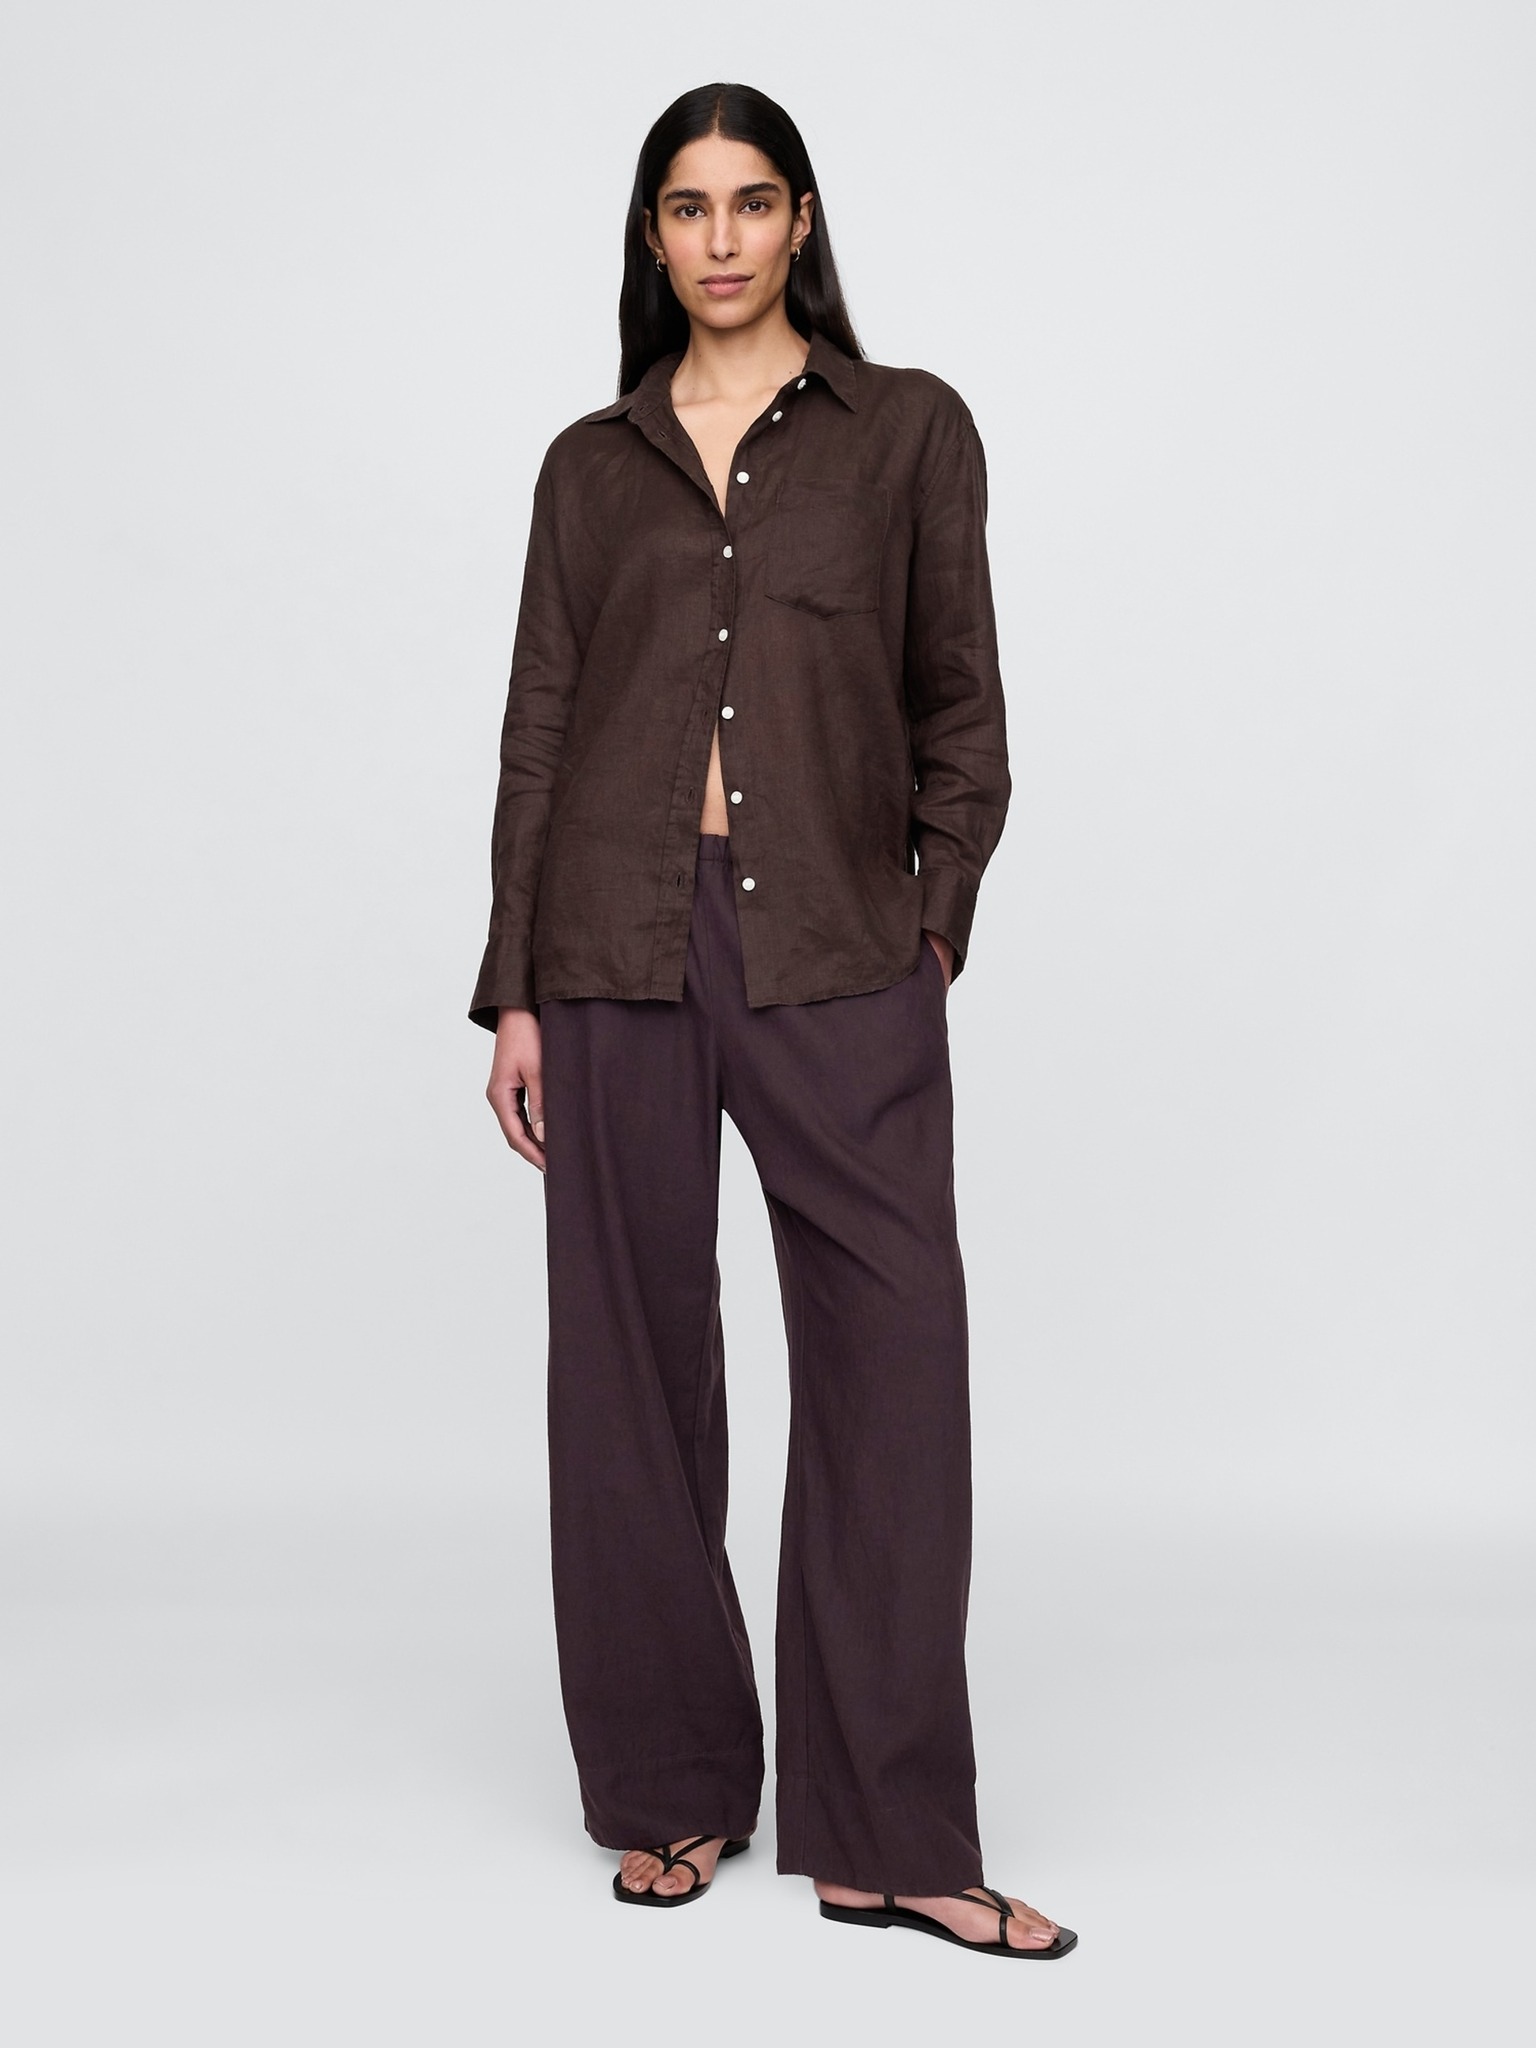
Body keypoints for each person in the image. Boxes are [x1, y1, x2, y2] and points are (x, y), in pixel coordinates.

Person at [470, 81, 1075, 1961]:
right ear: (652, 237)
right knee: (630, 1379)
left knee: (896, 1364)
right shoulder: (591, 467)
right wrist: (515, 990)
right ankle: (671, 1788)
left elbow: (961, 706)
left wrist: (932, 928)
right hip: (615, 953)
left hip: (838, 951)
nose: (719, 238)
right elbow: (542, 731)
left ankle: (892, 1831)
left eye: (750, 202)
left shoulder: (909, 432)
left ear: (802, 220)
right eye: (686, 206)